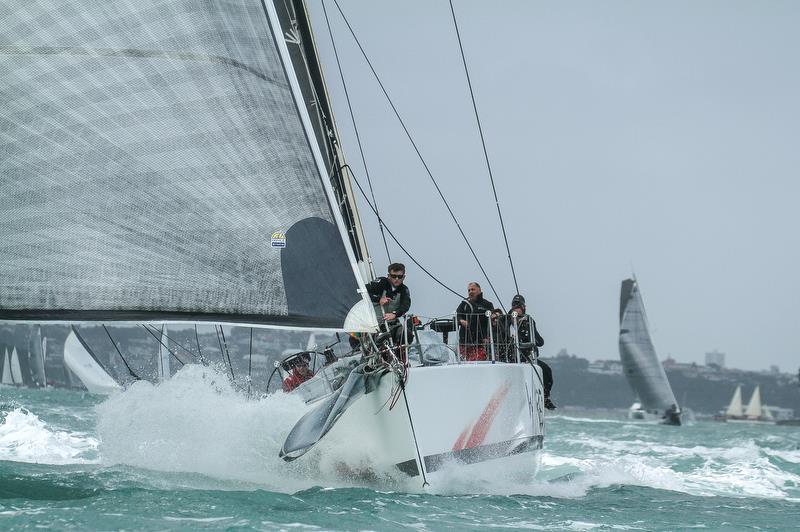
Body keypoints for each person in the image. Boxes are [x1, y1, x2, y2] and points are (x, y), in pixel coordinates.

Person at [495, 294, 556, 410]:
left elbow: (540, 341)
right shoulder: (504, 320)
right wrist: (512, 323)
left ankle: (545, 397)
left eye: (519, 306)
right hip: (509, 357)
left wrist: (529, 337)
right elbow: (500, 336)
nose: (516, 308)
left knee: (547, 370)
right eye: (514, 305)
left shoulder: (529, 321)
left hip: (526, 357)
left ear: (524, 307)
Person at [365, 263, 411, 344]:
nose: (396, 279)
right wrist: (378, 299)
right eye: (393, 276)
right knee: (381, 339)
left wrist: (395, 314)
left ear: (404, 277)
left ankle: (400, 355)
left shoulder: (404, 290)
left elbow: (405, 305)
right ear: (388, 276)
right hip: (375, 325)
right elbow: (364, 292)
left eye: (399, 277)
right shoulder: (381, 282)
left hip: (393, 324)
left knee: (407, 335)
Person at [456, 282, 495, 361]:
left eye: (473, 289)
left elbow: (491, 318)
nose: (470, 292)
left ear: (479, 290)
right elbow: (457, 315)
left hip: (480, 341)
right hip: (464, 342)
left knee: (479, 361)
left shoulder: (487, 304)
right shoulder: (464, 304)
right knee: (464, 363)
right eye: (469, 290)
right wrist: (461, 321)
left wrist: (494, 316)